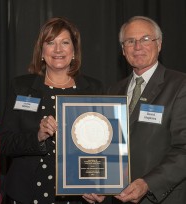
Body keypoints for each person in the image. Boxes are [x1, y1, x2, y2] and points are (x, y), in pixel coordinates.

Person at [0, 17, 104, 204]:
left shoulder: (93, 89)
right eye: (50, 43)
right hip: (27, 195)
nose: (58, 50)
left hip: (77, 195)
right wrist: (37, 136)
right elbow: (5, 143)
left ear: (74, 51)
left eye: (65, 42)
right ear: (41, 51)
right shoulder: (21, 87)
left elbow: (103, 146)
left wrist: (98, 184)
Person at [83, 16, 186, 204]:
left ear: (159, 44)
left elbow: (183, 149)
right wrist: (97, 184)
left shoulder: (180, 85)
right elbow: (105, 146)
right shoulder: (113, 91)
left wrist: (148, 183)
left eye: (146, 39)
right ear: (123, 50)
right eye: (130, 41)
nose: (138, 46)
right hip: (118, 198)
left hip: (162, 198)